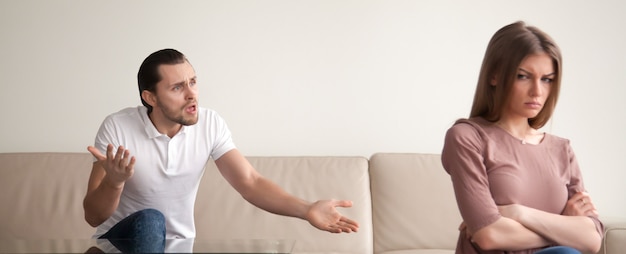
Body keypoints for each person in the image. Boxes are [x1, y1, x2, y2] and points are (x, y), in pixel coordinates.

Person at [83, 48, 359, 252]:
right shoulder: (118, 128)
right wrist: (116, 182)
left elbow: (250, 182)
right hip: (117, 246)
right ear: (150, 97)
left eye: (193, 82)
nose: (192, 94)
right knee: (153, 220)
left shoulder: (210, 124)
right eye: (177, 87)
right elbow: (93, 216)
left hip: (179, 248)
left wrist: (307, 208)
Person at [441, 21, 603, 254]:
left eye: (547, 79)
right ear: (495, 75)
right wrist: (563, 227)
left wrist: (518, 213)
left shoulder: (562, 150)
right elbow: (489, 235)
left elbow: (592, 239)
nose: (537, 91)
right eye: (523, 76)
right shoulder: (467, 137)